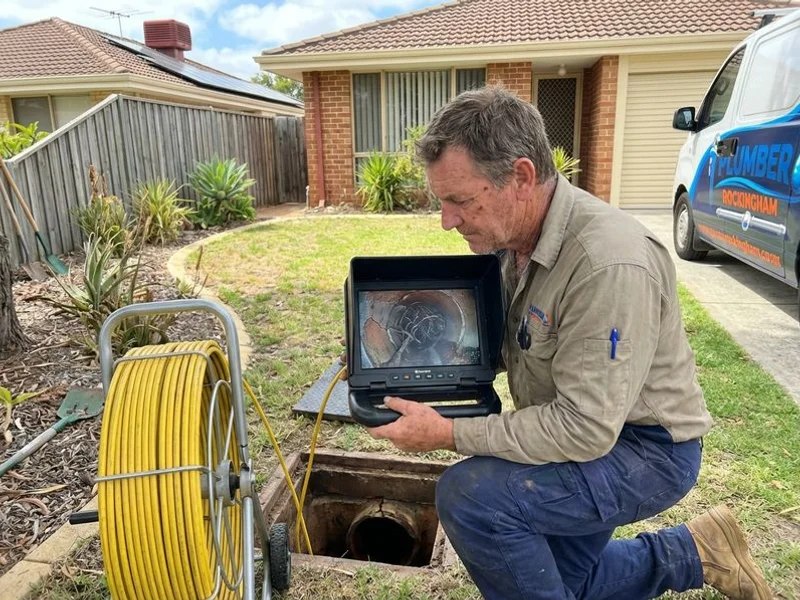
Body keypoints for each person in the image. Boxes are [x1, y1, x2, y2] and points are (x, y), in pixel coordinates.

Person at [365, 86, 772, 600]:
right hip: (586, 433)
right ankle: (696, 551)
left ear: (521, 177)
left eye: (460, 200)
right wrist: (385, 351)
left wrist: (448, 432)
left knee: (472, 499)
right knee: (563, 583)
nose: (447, 220)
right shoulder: (512, 243)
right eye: (441, 201)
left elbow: (584, 429)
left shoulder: (607, 263)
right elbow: (493, 346)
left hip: (644, 450)